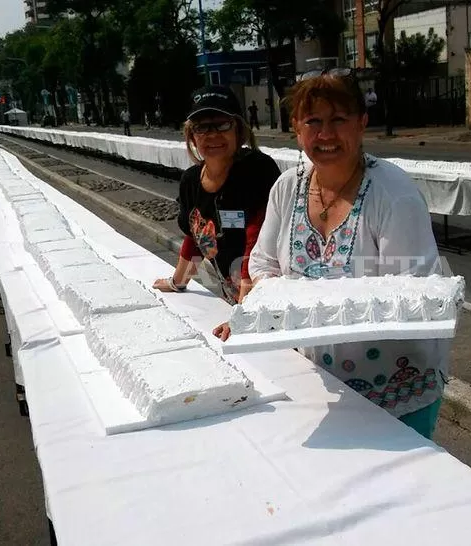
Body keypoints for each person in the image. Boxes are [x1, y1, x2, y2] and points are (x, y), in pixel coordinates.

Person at [220, 69, 449, 440]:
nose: (326, 135)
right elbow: (263, 263)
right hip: (317, 380)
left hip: (394, 387)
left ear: (362, 123)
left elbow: (408, 293)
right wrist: (255, 314)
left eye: (338, 120)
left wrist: (301, 308)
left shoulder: (392, 194)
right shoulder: (287, 188)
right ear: (297, 128)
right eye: (313, 121)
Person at [152, 85, 282, 304]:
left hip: (266, 295)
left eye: (222, 124)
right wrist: (178, 282)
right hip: (237, 298)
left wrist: (244, 312)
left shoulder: (257, 169)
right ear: (192, 137)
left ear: (239, 130)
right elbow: (196, 236)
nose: (212, 135)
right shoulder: (191, 181)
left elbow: (257, 240)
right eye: (202, 128)